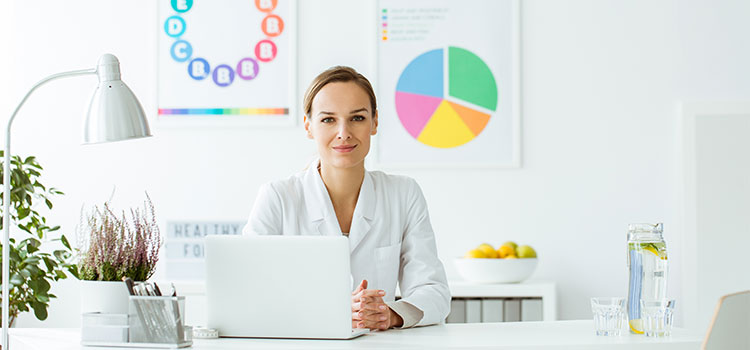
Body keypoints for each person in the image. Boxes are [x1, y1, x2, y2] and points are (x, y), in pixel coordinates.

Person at [243, 66, 450, 330]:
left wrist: (392, 314)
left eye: (358, 118)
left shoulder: (403, 193)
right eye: (328, 120)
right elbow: (251, 293)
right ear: (308, 126)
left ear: (375, 122)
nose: (344, 132)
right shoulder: (277, 198)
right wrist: (332, 312)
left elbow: (433, 291)